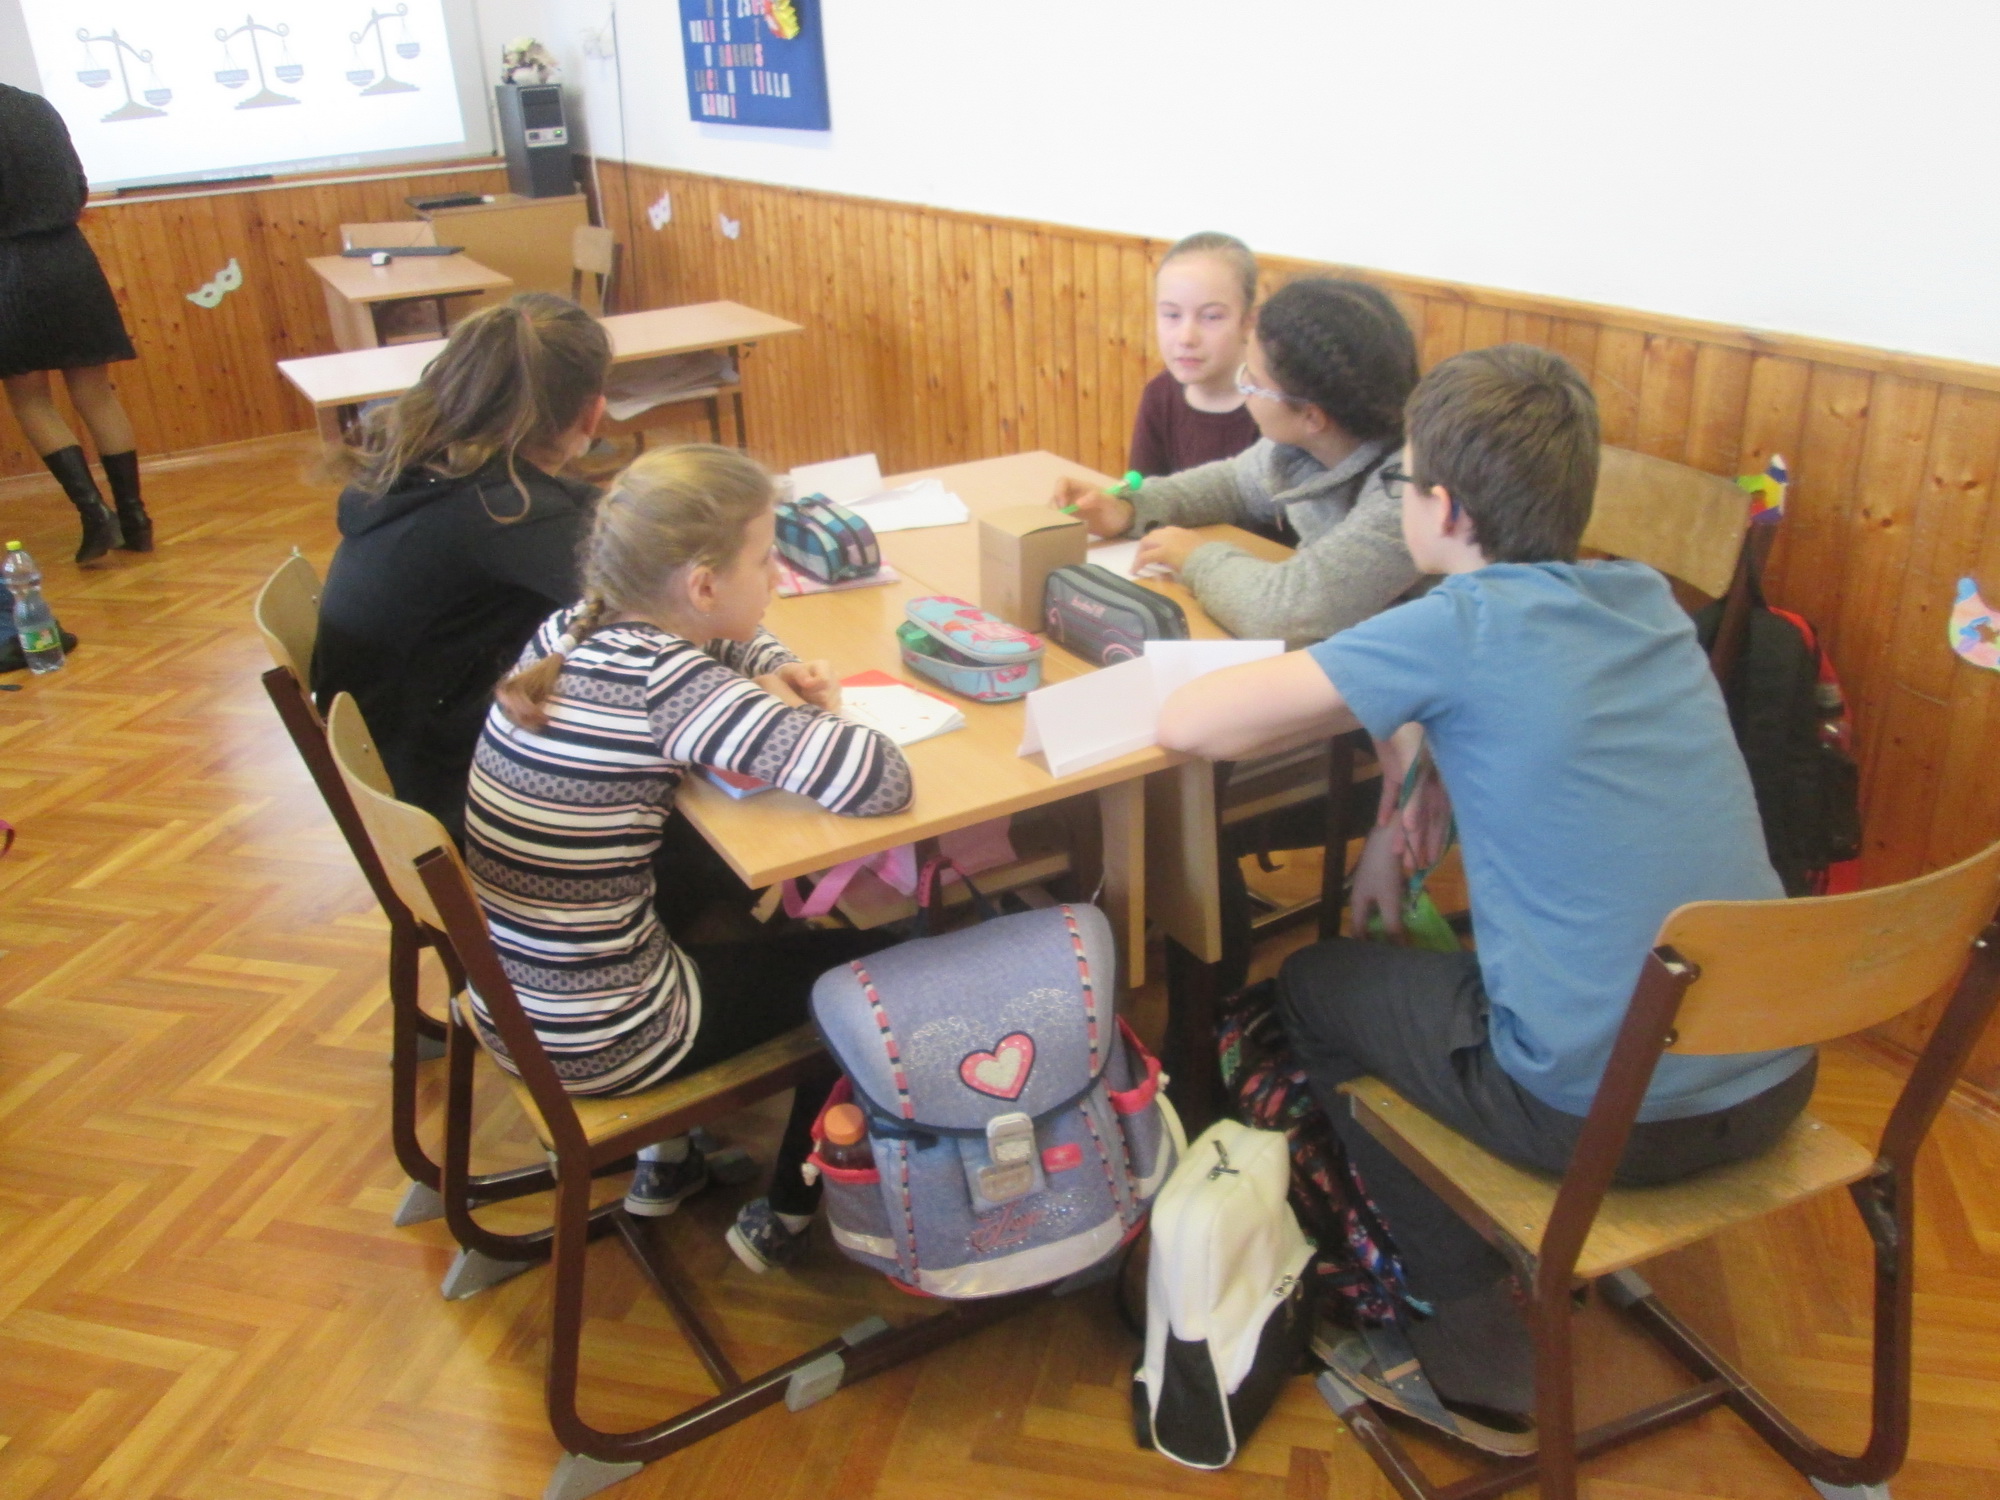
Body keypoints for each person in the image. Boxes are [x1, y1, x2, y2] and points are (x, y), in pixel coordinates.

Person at [1155, 345, 1814, 1449]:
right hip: (1775, 1068)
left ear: (1446, 509)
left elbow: (1189, 724)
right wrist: (1402, 800)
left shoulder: (1455, 627)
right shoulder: (1646, 603)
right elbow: (1509, 719)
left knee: (1314, 986)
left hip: (1599, 1118)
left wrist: (1397, 771)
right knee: (1447, 971)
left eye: (1404, 482)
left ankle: (1464, 1329)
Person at [471, 444, 913, 1272]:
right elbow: (879, 780)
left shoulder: (573, 626)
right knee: (873, 965)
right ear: (703, 587)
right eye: (764, 559)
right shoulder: (669, 685)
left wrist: (769, 663)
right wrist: (820, 715)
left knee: (711, 883)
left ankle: (667, 1160)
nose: (775, 577)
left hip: (517, 1004)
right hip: (610, 1035)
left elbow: (719, 648)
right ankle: (786, 1212)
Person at [313, 292, 611, 842]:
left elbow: (573, 507)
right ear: (592, 412)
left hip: (398, 758)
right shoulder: (505, 512)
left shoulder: (426, 465)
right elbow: (651, 607)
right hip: (452, 794)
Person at [1056, 276, 1423, 647]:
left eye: (1253, 381)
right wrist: (1131, 509)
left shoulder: (1406, 494)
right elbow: (1233, 483)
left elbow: (1284, 614)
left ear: (1312, 417)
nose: (1243, 387)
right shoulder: (1306, 443)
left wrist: (1197, 559)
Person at [0, 84, 152, 563]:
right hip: (70, 259)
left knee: (30, 399)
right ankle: (135, 520)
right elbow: (78, 186)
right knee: (95, 393)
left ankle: (95, 515)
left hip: (7, 267)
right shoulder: (34, 105)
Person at [1128, 232, 1260, 478]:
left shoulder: (1273, 407)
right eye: (1172, 315)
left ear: (1248, 322)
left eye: (1211, 317)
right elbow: (1141, 492)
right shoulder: (1159, 395)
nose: (1186, 338)